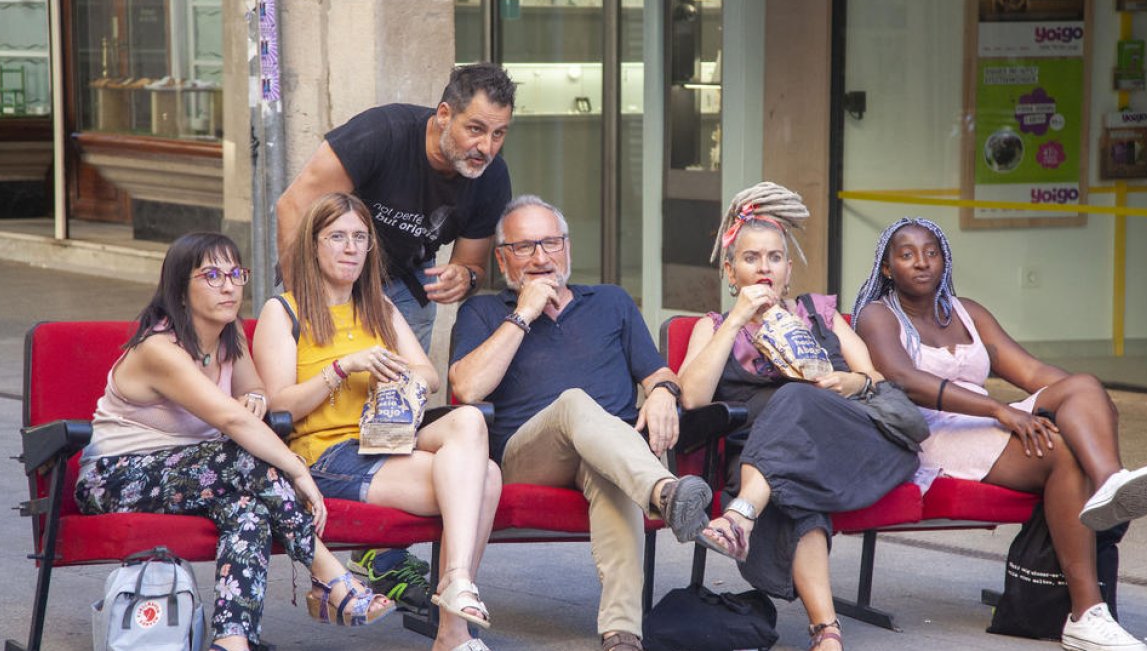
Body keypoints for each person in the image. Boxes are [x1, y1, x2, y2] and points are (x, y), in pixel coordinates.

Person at [852, 217, 1147, 651]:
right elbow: (905, 380)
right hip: (930, 434)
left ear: (945, 260)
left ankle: (1110, 482)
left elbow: (1033, 372)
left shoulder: (969, 312)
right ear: (887, 268)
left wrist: (1094, 405)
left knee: (1085, 385)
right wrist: (1000, 411)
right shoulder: (877, 315)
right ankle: (1085, 614)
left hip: (987, 421)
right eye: (907, 255)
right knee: (1062, 453)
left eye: (932, 253)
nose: (922, 263)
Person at [74, 233, 393, 651]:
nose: (229, 287)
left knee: (247, 510)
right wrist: (297, 469)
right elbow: (229, 418)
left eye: (236, 274)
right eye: (211, 275)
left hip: (197, 474)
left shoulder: (230, 335)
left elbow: (254, 392)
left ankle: (232, 640)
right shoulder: (159, 348)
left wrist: (256, 397)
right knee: (239, 455)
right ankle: (333, 577)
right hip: (115, 479)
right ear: (180, 290)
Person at [448, 195, 713, 651]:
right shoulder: (483, 313)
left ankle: (622, 634)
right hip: (528, 456)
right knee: (574, 403)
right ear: (501, 258)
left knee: (611, 476)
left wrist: (665, 392)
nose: (540, 257)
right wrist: (524, 313)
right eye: (525, 247)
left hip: (609, 453)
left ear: (567, 247)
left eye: (550, 242)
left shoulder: (610, 302)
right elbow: (467, 388)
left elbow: (658, 372)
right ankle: (664, 492)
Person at [676, 182, 919, 651]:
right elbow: (692, 397)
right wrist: (735, 321)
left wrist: (853, 382)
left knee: (797, 398)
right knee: (793, 491)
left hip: (850, 446)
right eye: (751, 258)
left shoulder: (821, 314)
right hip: (767, 461)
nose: (763, 268)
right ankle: (826, 632)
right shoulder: (712, 324)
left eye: (774, 257)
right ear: (730, 270)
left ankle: (740, 518)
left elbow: (872, 378)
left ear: (789, 269)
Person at [254, 192, 501, 651]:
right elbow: (279, 408)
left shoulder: (380, 308)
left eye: (360, 238)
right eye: (337, 237)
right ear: (312, 246)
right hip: (324, 455)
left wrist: (392, 371)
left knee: (468, 420)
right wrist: (343, 368)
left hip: (384, 438)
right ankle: (452, 629)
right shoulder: (283, 311)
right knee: (484, 477)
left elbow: (427, 375)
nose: (350, 248)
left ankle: (457, 582)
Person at [277, 62, 516, 352]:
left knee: (405, 387)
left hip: (404, 278)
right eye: (475, 129)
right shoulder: (383, 133)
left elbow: (472, 264)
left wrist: (465, 277)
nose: (486, 147)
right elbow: (292, 207)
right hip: (327, 270)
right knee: (314, 376)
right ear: (444, 115)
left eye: (498, 134)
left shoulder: (492, 178)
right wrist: (302, 304)